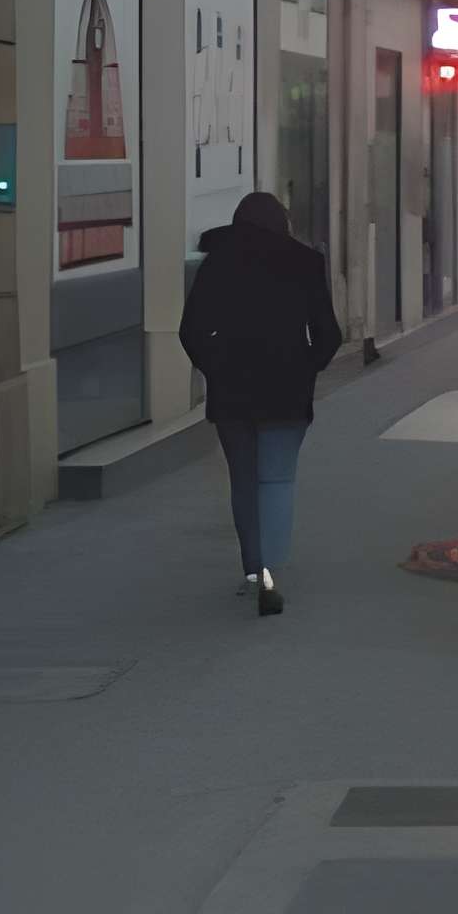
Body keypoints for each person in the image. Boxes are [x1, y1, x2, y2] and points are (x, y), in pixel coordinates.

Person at [177, 191, 344, 616]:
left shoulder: (218, 262)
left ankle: (253, 569)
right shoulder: (305, 262)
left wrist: (216, 368)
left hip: (233, 392)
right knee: (277, 480)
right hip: (287, 390)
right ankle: (271, 570)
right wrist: (305, 369)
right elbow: (329, 335)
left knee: (244, 480)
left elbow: (190, 331)